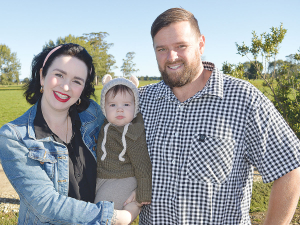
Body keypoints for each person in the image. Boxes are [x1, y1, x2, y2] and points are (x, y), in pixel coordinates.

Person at [138, 8, 300, 225]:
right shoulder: (141, 102)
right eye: (161, 49)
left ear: (201, 44)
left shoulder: (243, 99)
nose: (171, 57)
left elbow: (289, 169)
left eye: (181, 46)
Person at [0, 43, 136, 224]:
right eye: (59, 75)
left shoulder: (93, 115)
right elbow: (46, 205)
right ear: (42, 76)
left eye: (77, 81)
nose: (66, 87)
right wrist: (118, 217)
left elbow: (127, 138)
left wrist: (137, 185)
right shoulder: (14, 137)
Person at [94, 75, 151, 219]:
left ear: (135, 106)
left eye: (126, 105)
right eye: (113, 105)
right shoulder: (106, 126)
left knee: (100, 213)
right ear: (104, 108)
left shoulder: (132, 133)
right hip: (103, 176)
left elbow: (142, 164)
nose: (120, 110)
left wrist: (143, 192)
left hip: (122, 178)